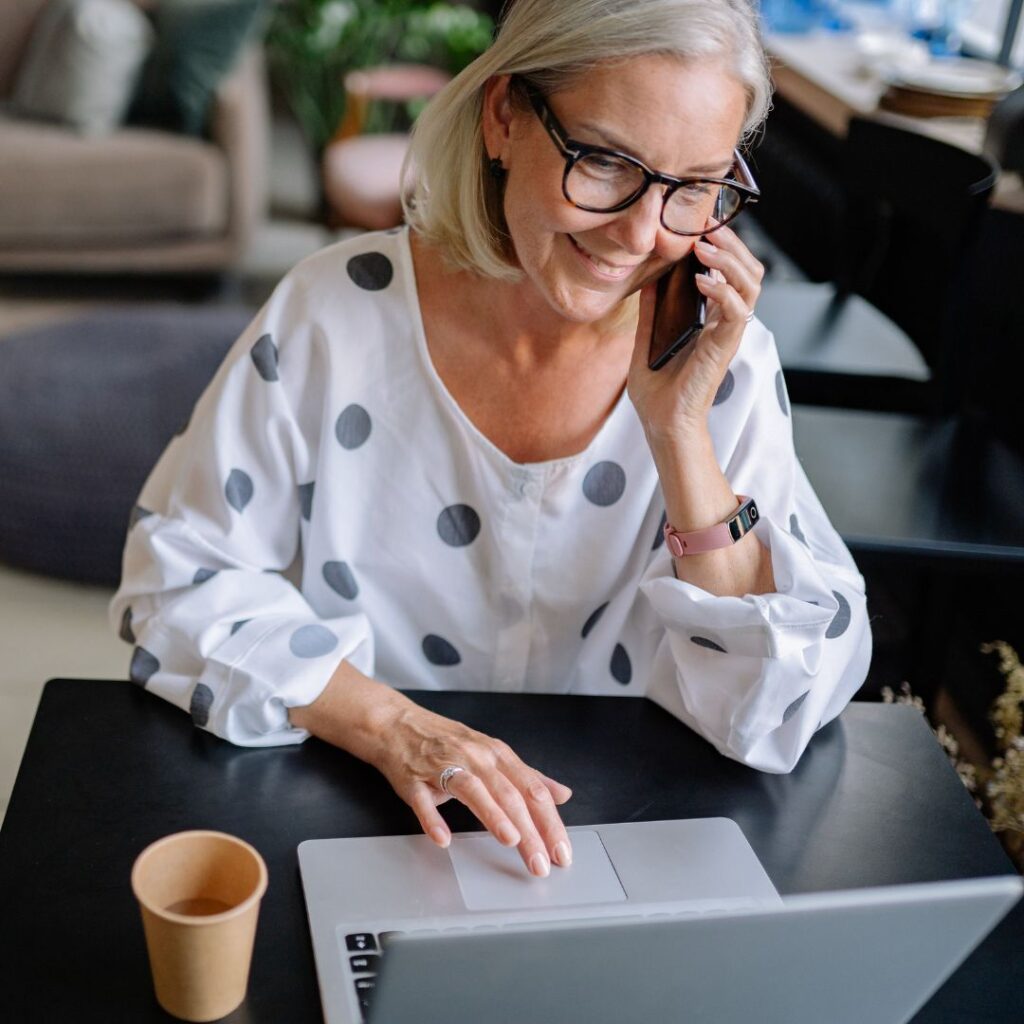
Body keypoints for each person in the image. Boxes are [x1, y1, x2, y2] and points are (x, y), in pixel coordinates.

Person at [110, 0, 871, 880]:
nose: (640, 233)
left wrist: (679, 430)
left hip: (621, 842)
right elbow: (172, 581)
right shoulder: (335, 315)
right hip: (365, 811)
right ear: (504, 113)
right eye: (605, 162)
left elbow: (776, 707)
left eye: (694, 186)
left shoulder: (719, 362)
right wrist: (395, 727)